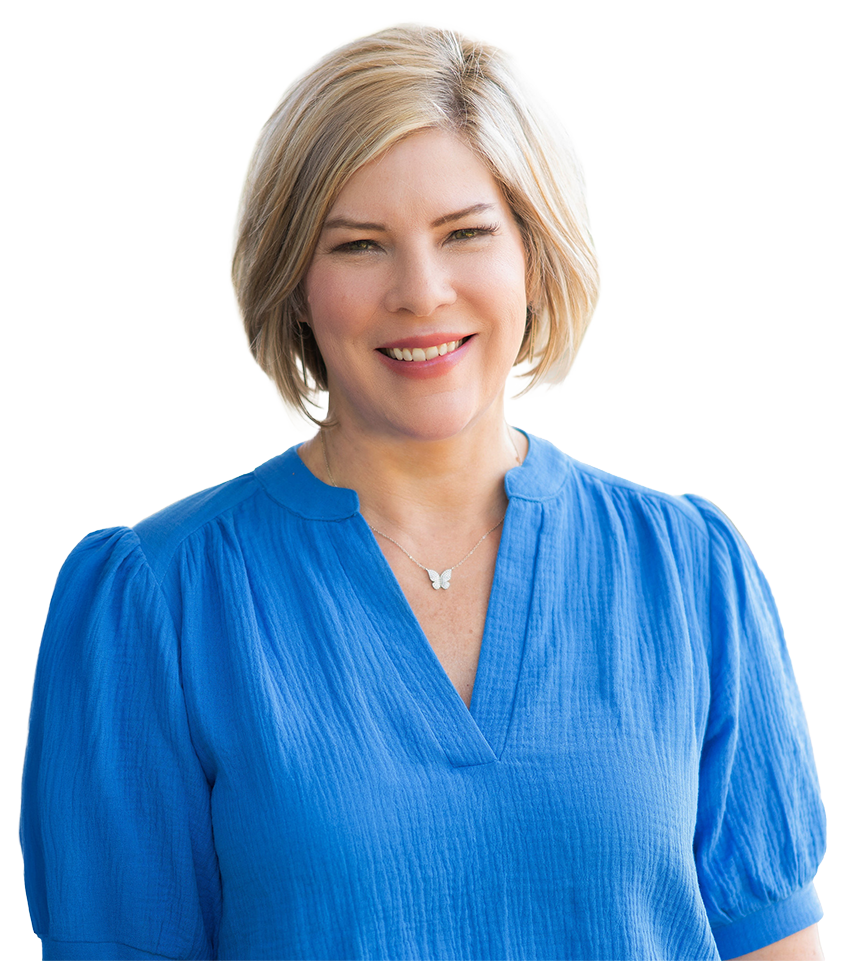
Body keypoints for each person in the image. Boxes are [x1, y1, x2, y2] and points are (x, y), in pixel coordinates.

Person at [20, 21, 825, 961]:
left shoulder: (693, 575)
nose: (422, 290)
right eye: (360, 246)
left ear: (534, 253)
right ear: (294, 285)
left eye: (466, 233)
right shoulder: (157, 601)